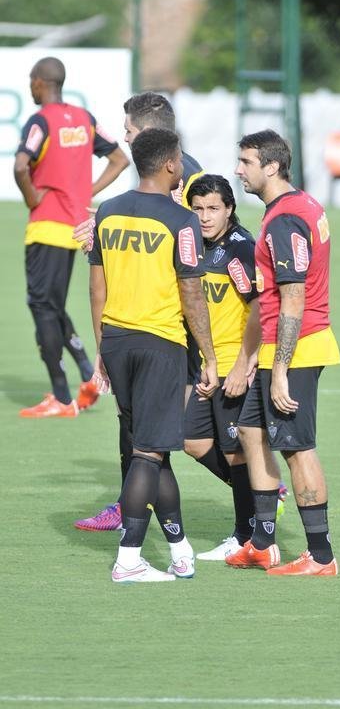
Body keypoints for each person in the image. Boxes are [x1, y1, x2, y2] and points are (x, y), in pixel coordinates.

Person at [89, 127, 218, 582]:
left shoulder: (108, 211)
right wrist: (209, 356)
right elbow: (191, 292)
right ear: (169, 164)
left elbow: (97, 285)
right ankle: (129, 559)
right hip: (160, 344)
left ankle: (180, 548)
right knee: (148, 451)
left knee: (154, 447)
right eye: (181, 157)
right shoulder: (179, 220)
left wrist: (102, 345)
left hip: (118, 342)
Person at [73, 92, 207, 532]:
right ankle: (135, 513)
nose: (125, 138)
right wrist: (104, 227)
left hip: (171, 324)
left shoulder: (189, 181)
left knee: (179, 438)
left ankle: (260, 491)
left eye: (129, 131)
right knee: (143, 432)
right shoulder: (140, 191)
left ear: (150, 136)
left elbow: (201, 243)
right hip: (141, 325)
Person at [226, 129, 340, 576]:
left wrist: (279, 369)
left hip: (296, 347)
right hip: (280, 345)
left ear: (271, 166)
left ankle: (321, 556)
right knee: (251, 431)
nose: (239, 170)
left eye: (246, 162)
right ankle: (262, 542)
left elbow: (293, 297)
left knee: (297, 448)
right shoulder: (299, 205)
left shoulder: (285, 219)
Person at [14, 56, 129, 418]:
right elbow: (120, 159)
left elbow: (20, 165)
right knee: (52, 304)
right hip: (76, 227)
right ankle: (84, 369)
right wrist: (85, 193)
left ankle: (62, 397)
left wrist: (32, 196)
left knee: (41, 306)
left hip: (47, 226)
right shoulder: (83, 119)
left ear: (38, 83)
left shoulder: (40, 121)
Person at [183, 174, 263, 560]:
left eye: (213, 208)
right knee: (192, 441)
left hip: (232, 365)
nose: (204, 216)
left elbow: (261, 309)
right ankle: (263, 494)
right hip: (207, 365)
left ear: (229, 210)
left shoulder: (238, 251)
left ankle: (245, 533)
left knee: (235, 453)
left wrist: (243, 365)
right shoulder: (194, 246)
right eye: (197, 208)